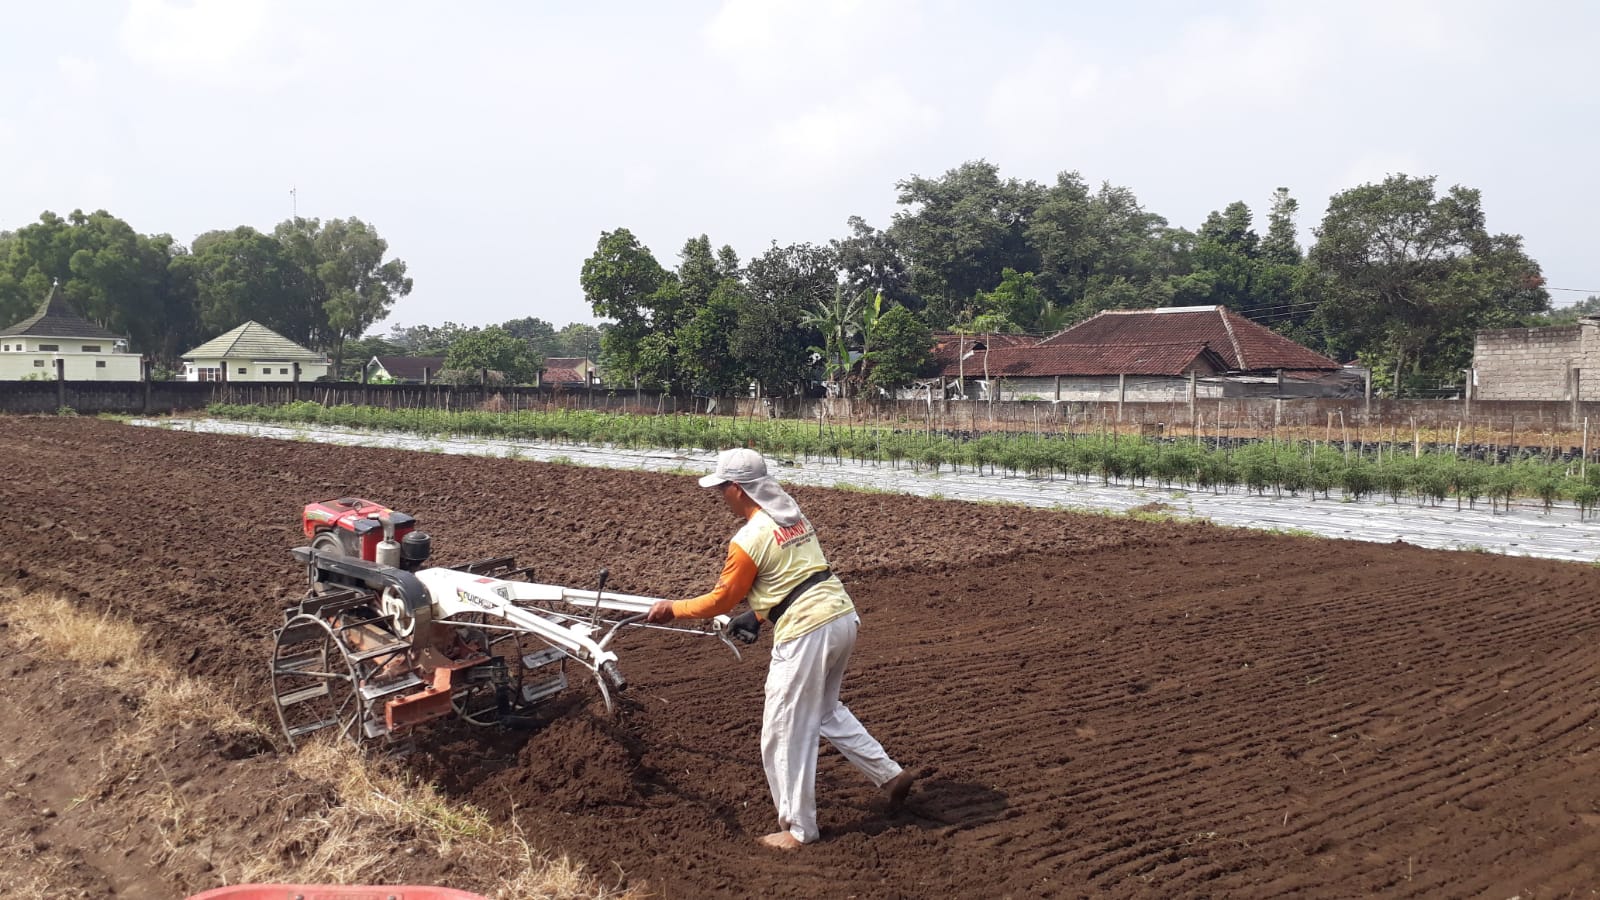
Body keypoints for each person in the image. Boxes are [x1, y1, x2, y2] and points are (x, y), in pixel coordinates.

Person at [646, 447, 914, 850]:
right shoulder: (792, 514)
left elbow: (720, 601)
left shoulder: (747, 539)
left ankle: (798, 830)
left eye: (722, 489)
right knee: (825, 711)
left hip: (806, 630)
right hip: (840, 615)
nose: (720, 497)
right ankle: (890, 775)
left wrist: (673, 609)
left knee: (783, 729)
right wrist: (757, 616)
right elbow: (793, 574)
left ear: (738, 489)